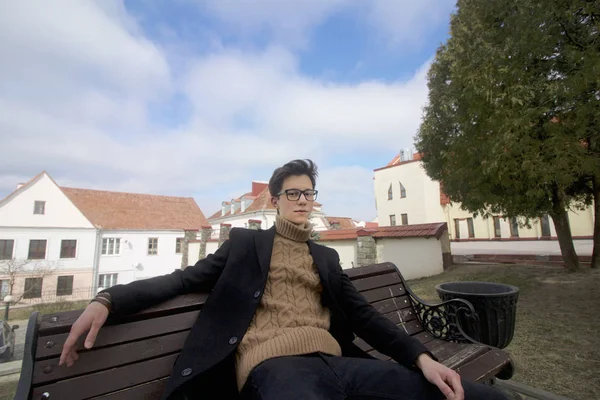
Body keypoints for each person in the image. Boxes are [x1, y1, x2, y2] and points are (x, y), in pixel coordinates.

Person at [60, 159, 508, 400]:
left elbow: (366, 317)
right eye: (292, 193)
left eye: (308, 193)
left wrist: (422, 358)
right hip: (274, 370)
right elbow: (181, 280)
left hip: (341, 365)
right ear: (275, 200)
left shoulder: (326, 257)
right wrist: (107, 299)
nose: (301, 199)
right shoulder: (245, 245)